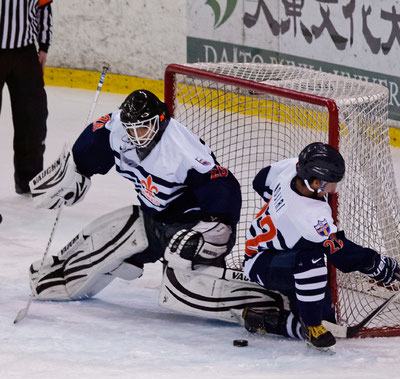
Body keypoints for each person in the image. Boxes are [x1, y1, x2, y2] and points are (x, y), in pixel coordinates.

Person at [28, 89, 242, 307]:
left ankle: (245, 299)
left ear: (159, 121)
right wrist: (76, 171)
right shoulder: (118, 128)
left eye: (142, 127)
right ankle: (61, 274)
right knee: (103, 237)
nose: (135, 135)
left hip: (188, 230)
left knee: (184, 291)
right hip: (153, 221)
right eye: (131, 128)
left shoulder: (182, 151)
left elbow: (221, 186)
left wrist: (216, 228)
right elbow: (95, 138)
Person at [241, 142, 400, 351]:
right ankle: (309, 327)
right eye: (332, 183)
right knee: (313, 261)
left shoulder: (291, 169)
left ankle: (297, 309)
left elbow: (260, 180)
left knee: (327, 315)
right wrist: (374, 264)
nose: (334, 189)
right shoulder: (310, 217)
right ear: (315, 182)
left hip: (279, 252)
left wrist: (280, 210)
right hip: (260, 262)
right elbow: (340, 252)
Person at [0, 0, 52, 195]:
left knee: (33, 118)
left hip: (24, 53)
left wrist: (43, 46)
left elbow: (43, 6)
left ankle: (29, 179)